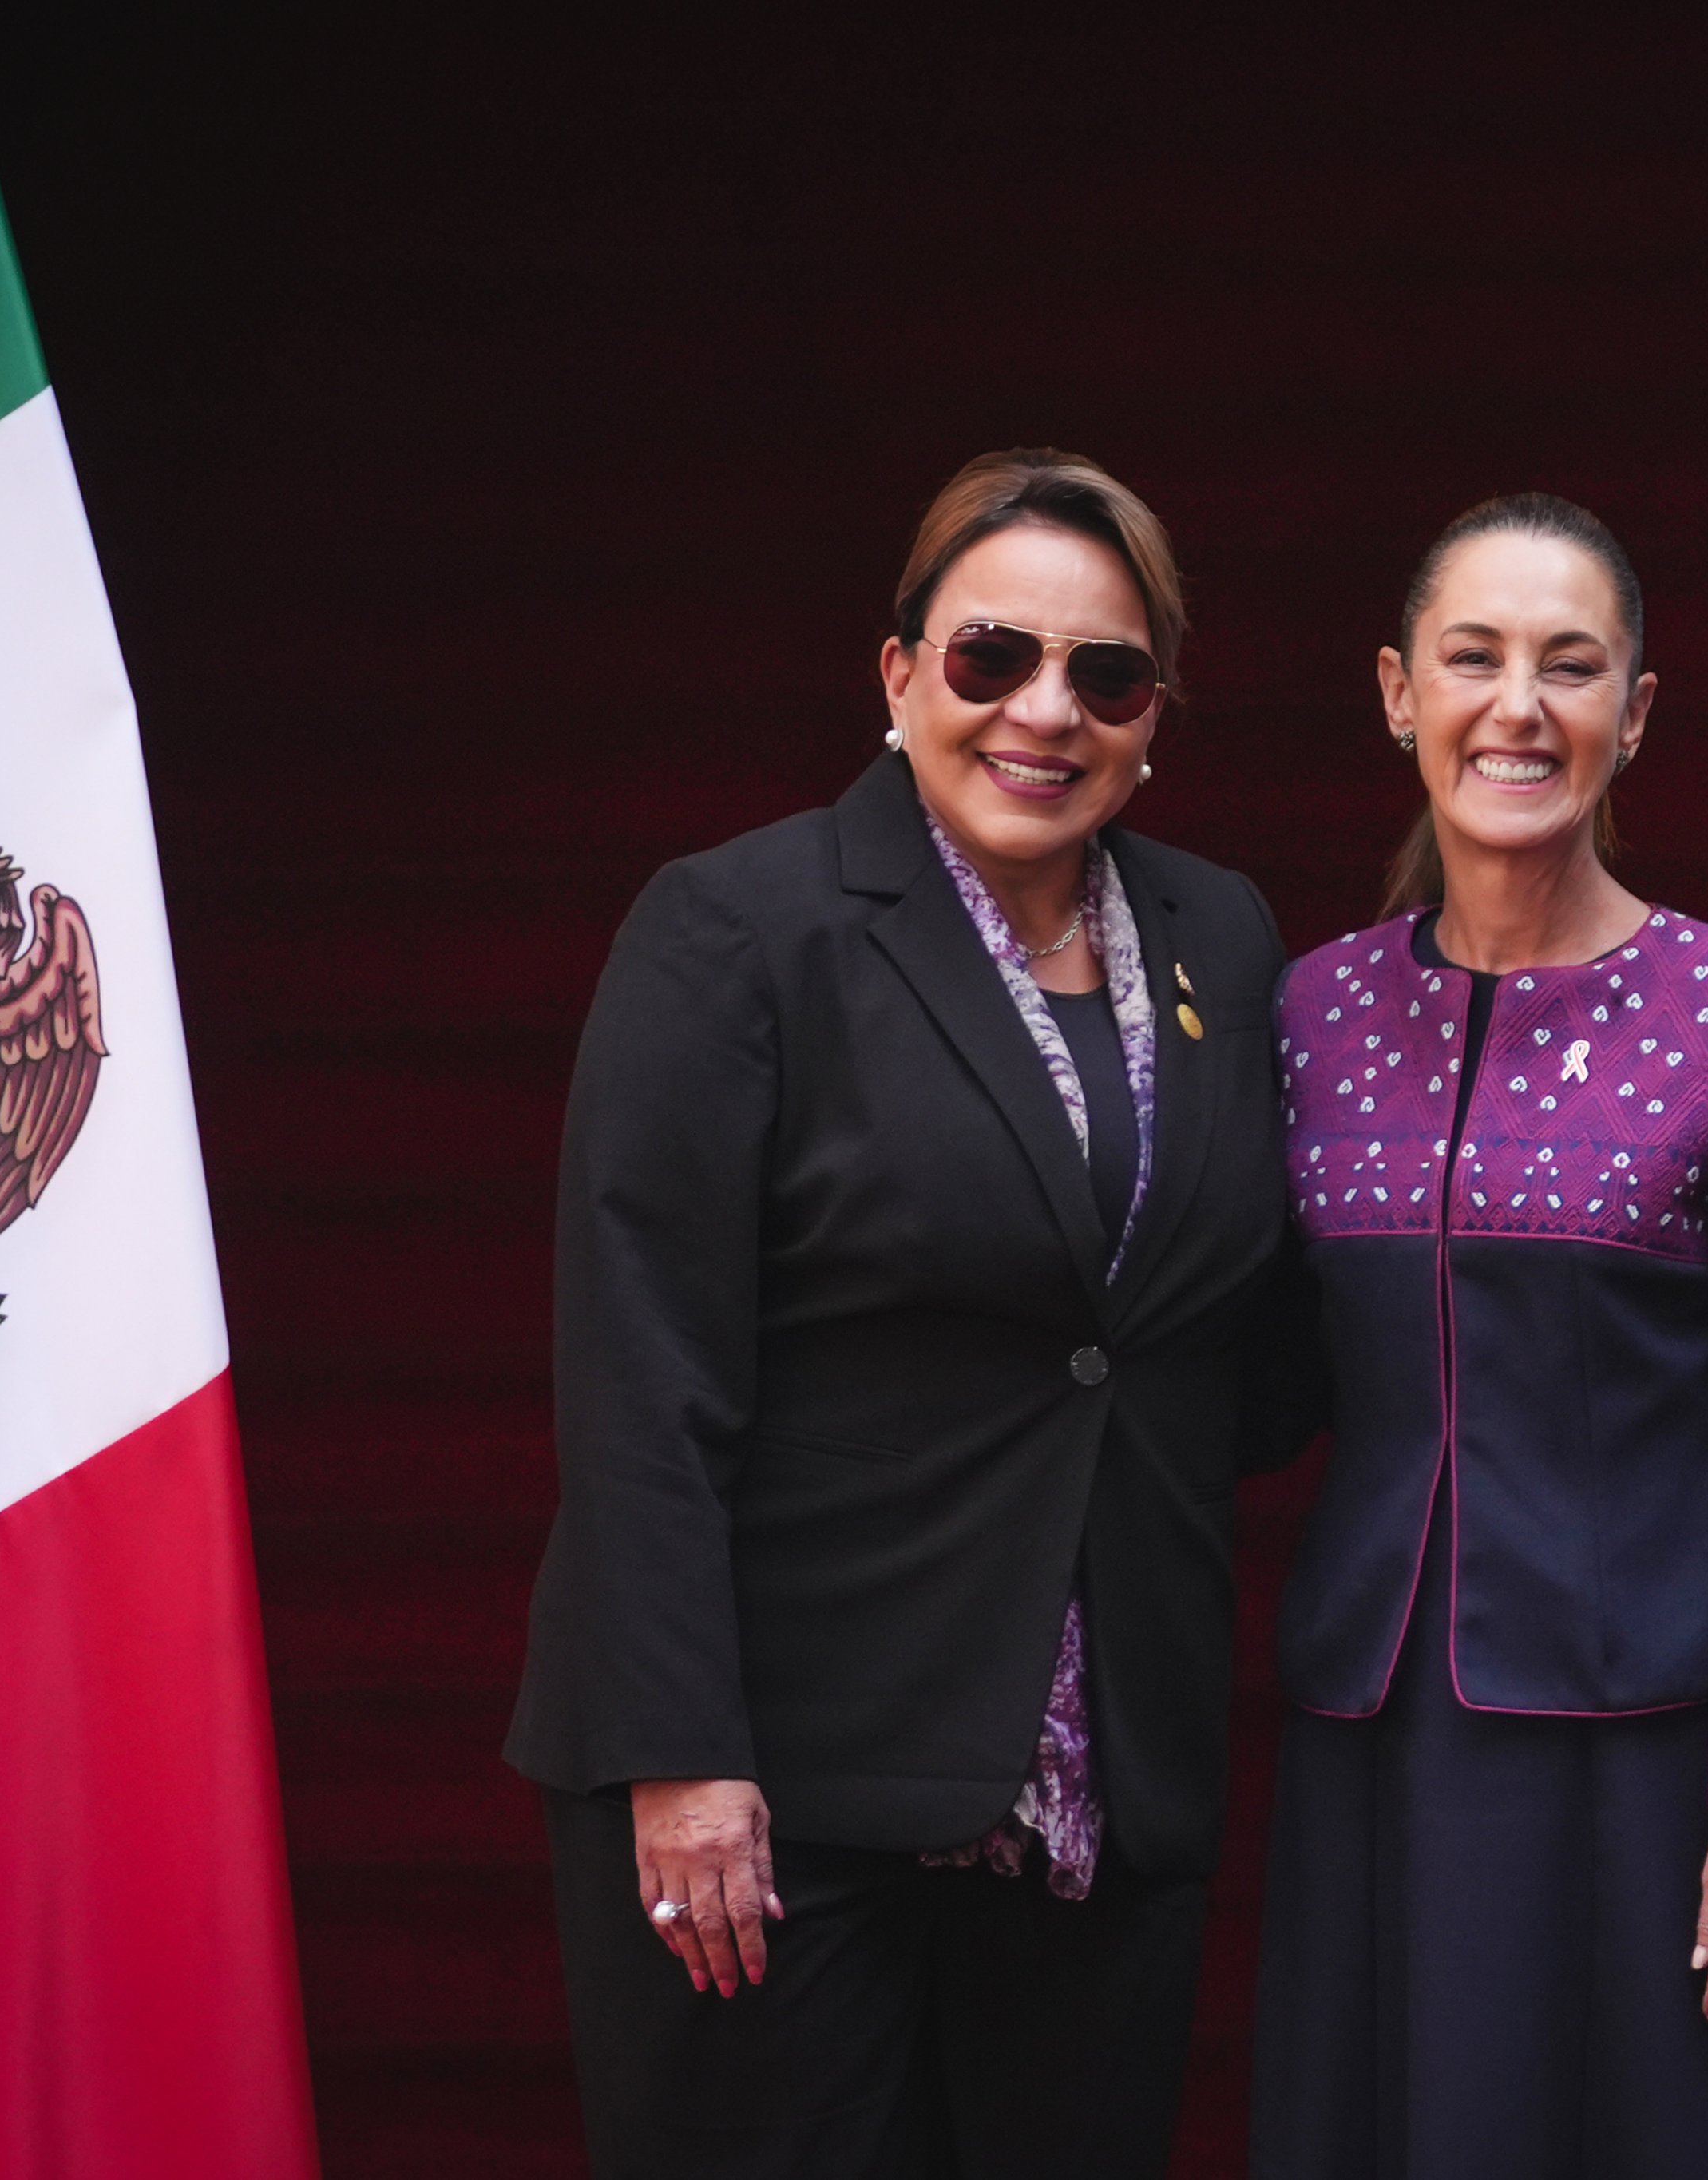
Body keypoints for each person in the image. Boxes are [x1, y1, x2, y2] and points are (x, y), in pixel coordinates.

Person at [505, 449, 1306, 2178]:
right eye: (988, 655)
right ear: (896, 675)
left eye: (1106, 674)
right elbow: (642, 1375)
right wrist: (680, 1755)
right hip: (775, 1793)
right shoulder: (737, 928)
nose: (1045, 710)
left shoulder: (1219, 940)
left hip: (1100, 1794)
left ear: (1153, 709)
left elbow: (1209, 1340)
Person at [1250, 493, 1708, 2176]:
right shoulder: (1304, 1010)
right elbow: (1244, 1364)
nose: (1516, 705)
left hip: (1648, 1762)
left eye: (1568, 665)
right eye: (1473, 658)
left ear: (1632, 713)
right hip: (1369, 1746)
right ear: (1396, 692)